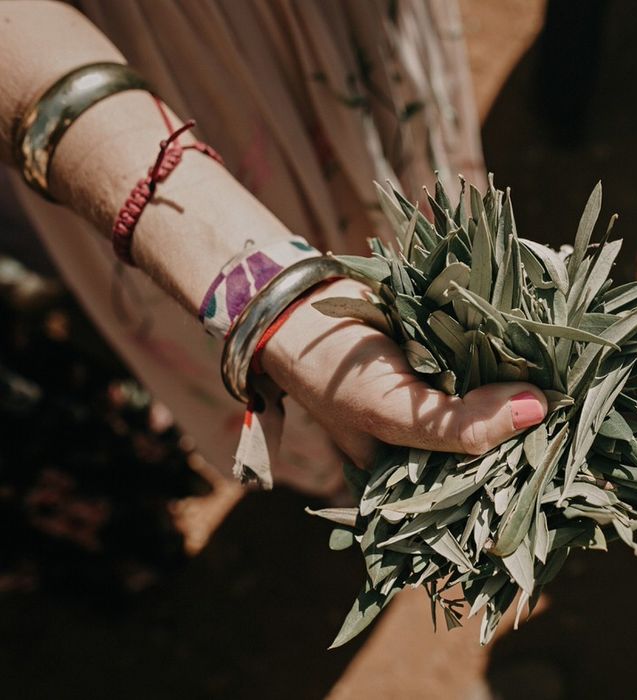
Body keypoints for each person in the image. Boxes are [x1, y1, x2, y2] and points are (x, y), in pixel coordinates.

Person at [0, 0, 547, 498]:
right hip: (131, 77)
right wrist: (277, 307)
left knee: (413, 222)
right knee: (329, 379)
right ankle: (362, 473)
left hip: (337, 26)